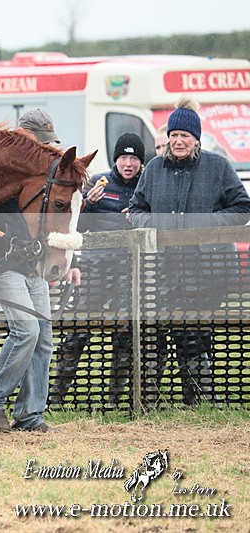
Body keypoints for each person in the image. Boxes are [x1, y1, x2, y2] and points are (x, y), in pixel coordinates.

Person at [129, 95, 250, 405]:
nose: (178, 141)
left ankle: (199, 400)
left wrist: (205, 226)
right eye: (173, 136)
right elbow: (136, 208)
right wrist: (155, 225)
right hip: (166, 270)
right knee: (166, 336)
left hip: (208, 272)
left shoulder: (218, 167)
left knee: (196, 335)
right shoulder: (154, 169)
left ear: (196, 139)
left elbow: (242, 208)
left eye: (184, 136)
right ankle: (158, 401)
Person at [0, 109, 76, 433]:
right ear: (25, 136)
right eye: (42, 142)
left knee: (43, 338)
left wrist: (66, 261)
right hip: (1, 264)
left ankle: (30, 416)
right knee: (27, 331)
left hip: (33, 266)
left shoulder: (42, 174)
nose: (45, 149)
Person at [50, 132, 148, 406]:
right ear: (115, 159)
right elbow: (73, 228)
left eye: (134, 158)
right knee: (77, 335)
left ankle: (116, 401)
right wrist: (89, 205)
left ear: (141, 162)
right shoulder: (97, 184)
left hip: (128, 273)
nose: (128, 163)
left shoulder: (145, 187)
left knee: (123, 337)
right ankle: (56, 398)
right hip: (94, 272)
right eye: (123, 157)